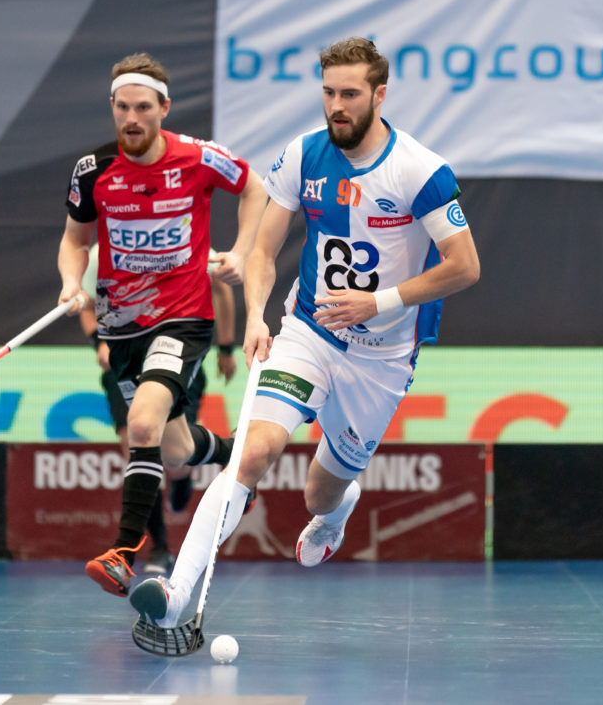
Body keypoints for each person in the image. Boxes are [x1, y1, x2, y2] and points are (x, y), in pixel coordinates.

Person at [130, 36, 481, 628]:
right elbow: (264, 249)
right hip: (309, 331)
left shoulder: (419, 170)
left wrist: (379, 301)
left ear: (379, 95)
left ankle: (336, 514)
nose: (337, 106)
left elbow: (464, 266)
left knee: (319, 493)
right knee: (254, 448)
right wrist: (258, 314)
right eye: (328, 93)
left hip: (383, 355)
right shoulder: (302, 155)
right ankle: (174, 595)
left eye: (350, 94)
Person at [57, 52, 266, 598]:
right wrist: (71, 281)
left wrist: (242, 252)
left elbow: (255, 188)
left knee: (142, 427)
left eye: (143, 107)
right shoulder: (93, 170)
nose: (132, 117)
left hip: (182, 316)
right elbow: (75, 241)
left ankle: (125, 553)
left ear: (164, 108)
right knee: (171, 449)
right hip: (120, 328)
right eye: (122, 107)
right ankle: (236, 456)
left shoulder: (197, 158)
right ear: (112, 107)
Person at [79, 245, 238, 575]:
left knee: (173, 456)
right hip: (124, 359)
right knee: (135, 447)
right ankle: (156, 549)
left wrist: (225, 346)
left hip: (173, 350)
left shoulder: (177, 230)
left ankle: (215, 458)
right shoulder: (102, 251)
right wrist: (100, 342)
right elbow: (86, 304)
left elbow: (221, 287)